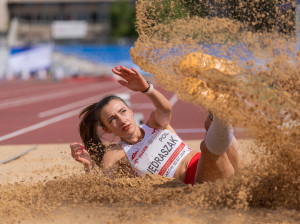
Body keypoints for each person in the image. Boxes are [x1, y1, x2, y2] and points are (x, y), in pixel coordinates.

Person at [70, 66, 242, 185]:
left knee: (209, 123)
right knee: (208, 145)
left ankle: (220, 116)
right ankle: (221, 113)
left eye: (122, 112)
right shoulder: (116, 152)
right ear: (107, 129)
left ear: (131, 111)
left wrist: (146, 88)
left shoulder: (155, 124)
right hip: (196, 180)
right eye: (112, 119)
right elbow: (101, 189)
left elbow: (165, 109)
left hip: (209, 163)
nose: (121, 120)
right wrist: (89, 166)